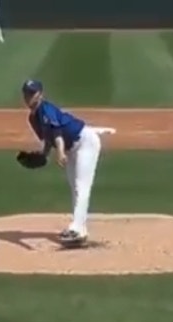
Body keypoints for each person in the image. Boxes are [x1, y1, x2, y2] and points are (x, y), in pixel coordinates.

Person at [21, 79, 116, 248]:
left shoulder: (46, 109)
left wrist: (60, 151)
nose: (29, 97)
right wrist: (43, 154)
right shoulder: (33, 118)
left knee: (81, 186)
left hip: (86, 143)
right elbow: (48, 138)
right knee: (75, 187)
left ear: (40, 94)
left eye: (32, 93)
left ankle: (76, 229)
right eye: (27, 93)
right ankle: (81, 229)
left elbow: (56, 131)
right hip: (72, 147)